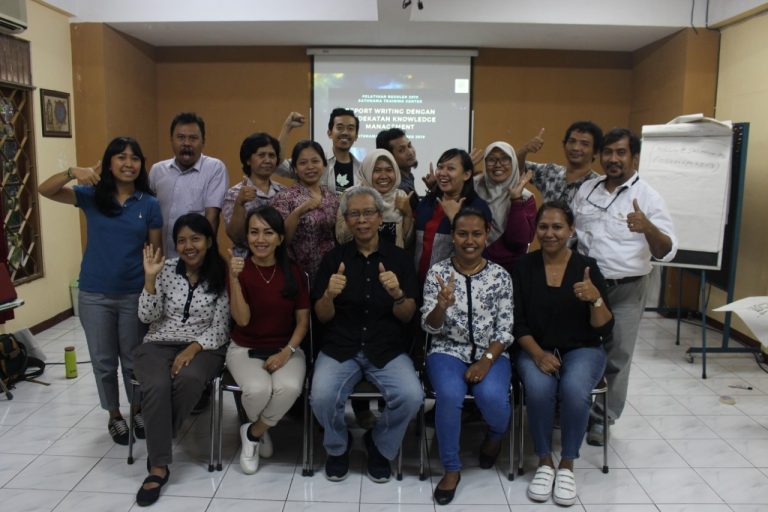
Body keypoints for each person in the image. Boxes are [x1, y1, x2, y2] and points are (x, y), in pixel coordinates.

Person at [38, 137, 162, 445]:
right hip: (94, 295)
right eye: (121, 157)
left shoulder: (149, 203)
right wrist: (72, 171)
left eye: (135, 158)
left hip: (133, 294)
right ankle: (114, 415)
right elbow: (45, 189)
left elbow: (155, 252)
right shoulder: (92, 196)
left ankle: (137, 409)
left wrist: (151, 291)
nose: (128, 163)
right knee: (103, 361)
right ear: (108, 163)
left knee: (133, 360)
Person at [571, 128, 677, 445]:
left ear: (634, 157)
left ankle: (602, 418)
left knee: (617, 355)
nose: (613, 159)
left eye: (621, 152)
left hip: (626, 289)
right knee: (578, 347)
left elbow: (666, 250)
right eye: (608, 152)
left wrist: (648, 227)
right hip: (586, 285)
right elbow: (573, 235)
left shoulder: (648, 196)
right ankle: (572, 406)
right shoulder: (587, 189)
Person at [311, 187, 423, 483]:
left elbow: (408, 315)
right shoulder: (334, 258)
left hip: (386, 347)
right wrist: (328, 296)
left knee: (411, 396)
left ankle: (379, 445)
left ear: (380, 217)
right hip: (340, 346)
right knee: (321, 396)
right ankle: (338, 446)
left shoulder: (399, 259)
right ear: (346, 220)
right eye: (355, 214)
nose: (362, 220)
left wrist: (397, 294)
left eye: (368, 213)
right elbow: (322, 316)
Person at [513, 201, 613, 506]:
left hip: (583, 347)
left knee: (573, 389)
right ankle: (545, 461)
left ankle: (567, 463)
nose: (550, 233)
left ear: (571, 230)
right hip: (535, 347)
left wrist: (595, 299)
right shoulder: (523, 266)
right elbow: (516, 322)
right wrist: (538, 355)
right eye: (543, 227)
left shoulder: (587, 267)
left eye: (557, 227)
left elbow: (604, 327)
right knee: (539, 389)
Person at [132, 213, 229, 507]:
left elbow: (221, 326)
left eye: (195, 239)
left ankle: (157, 440)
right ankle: (158, 466)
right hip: (157, 343)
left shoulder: (222, 274)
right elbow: (146, 317)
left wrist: (193, 348)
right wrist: (150, 279)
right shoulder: (165, 270)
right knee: (157, 385)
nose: (189, 246)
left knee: (190, 378)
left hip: (205, 345)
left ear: (209, 241)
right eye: (182, 240)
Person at [421, 207, 514, 506]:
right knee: (449, 396)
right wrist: (441, 306)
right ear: (453, 236)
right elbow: (430, 326)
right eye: (462, 234)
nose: (469, 240)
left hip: (492, 352)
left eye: (476, 234)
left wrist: (486, 360)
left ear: (487, 235)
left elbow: (505, 329)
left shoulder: (500, 276)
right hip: (447, 350)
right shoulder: (438, 273)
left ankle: (495, 436)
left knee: (493, 400)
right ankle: (451, 468)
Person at [227, 206, 310, 474]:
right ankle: (261, 431)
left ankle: (253, 432)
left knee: (289, 387)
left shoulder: (293, 272)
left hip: (286, 346)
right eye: (254, 232)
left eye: (268, 232)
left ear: (280, 238)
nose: (260, 239)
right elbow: (242, 320)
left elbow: (302, 321)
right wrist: (234, 279)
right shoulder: (241, 270)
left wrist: (287, 351)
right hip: (245, 347)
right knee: (257, 390)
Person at [149, 112, 228, 257]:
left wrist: (204, 258)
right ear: (171, 140)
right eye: (180, 137)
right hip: (162, 258)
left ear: (203, 141)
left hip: (196, 258)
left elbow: (212, 217)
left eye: (193, 138)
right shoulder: (157, 170)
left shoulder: (214, 168)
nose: (186, 143)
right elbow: (150, 216)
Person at [413, 148, 492, 283]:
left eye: (451, 168)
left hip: (454, 285)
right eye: (440, 167)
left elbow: (475, 252)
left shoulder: (478, 208)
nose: (442, 173)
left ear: (466, 175)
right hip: (419, 283)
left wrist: (455, 219)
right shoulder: (428, 201)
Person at [270, 140, 340, 281]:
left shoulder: (332, 198)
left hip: (330, 273)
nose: (310, 167)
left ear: (324, 164)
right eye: (303, 163)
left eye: (315, 161)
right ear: (295, 168)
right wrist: (298, 212)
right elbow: (279, 240)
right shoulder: (284, 198)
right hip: (296, 274)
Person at [476, 141, 536, 275]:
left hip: (512, 272)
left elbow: (519, 241)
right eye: (491, 159)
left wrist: (516, 201)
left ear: (513, 162)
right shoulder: (474, 189)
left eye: (504, 159)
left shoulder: (526, 197)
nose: (498, 164)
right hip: (475, 268)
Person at [336, 148, 414, 248]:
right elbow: (342, 239)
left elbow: (407, 242)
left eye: (389, 170)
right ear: (367, 171)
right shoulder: (350, 195)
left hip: (392, 257)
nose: (384, 176)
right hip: (357, 257)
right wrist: (359, 208)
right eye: (377, 170)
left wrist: (408, 213)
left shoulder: (401, 196)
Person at [276, 109, 362, 194]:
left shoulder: (361, 169)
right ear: (329, 133)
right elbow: (278, 165)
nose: (345, 132)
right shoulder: (316, 161)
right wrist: (287, 127)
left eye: (350, 128)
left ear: (356, 136)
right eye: (340, 127)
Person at [517, 121, 603, 205]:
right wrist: (524, 150)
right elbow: (515, 167)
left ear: (596, 152)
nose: (576, 148)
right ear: (564, 145)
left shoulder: (598, 186)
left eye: (584, 144)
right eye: (572, 141)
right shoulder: (550, 172)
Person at [223, 132, 284, 247]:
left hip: (277, 256)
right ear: (248, 160)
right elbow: (236, 237)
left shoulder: (284, 192)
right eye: (261, 155)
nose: (267, 160)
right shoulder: (234, 193)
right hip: (246, 256)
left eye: (272, 155)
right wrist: (240, 203)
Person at [375, 128, 418, 194]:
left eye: (409, 146)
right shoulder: (399, 189)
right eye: (401, 150)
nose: (410, 152)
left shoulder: (408, 176)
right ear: (388, 157)